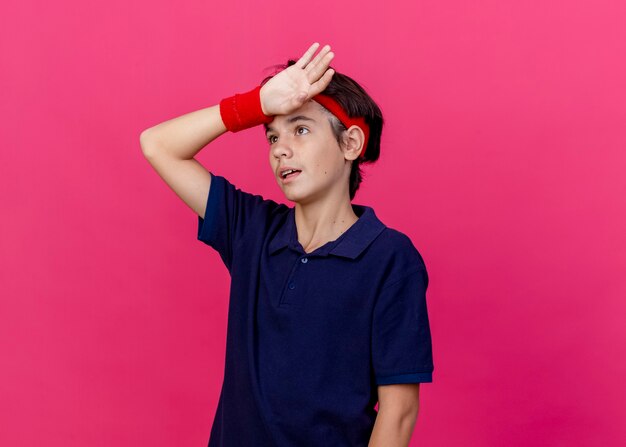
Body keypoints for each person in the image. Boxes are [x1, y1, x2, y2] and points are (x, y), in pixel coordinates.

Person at [140, 42, 434, 447]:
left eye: (301, 129)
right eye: (271, 135)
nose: (280, 148)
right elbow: (158, 145)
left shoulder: (389, 258)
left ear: (350, 144)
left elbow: (399, 412)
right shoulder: (252, 230)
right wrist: (256, 104)